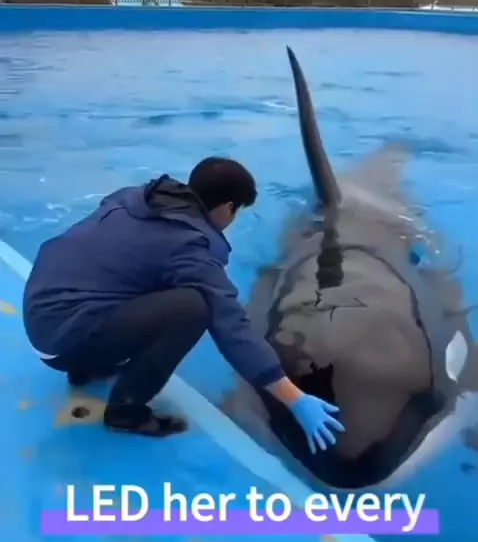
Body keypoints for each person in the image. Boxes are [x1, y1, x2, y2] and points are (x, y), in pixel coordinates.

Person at [23, 157, 345, 450]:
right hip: (63, 342)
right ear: (227, 208)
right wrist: (294, 398)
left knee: (129, 275)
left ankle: (85, 369)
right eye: (237, 211)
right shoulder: (192, 248)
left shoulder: (135, 197)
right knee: (193, 307)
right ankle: (126, 412)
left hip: (38, 311)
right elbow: (232, 327)